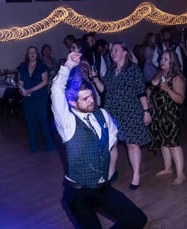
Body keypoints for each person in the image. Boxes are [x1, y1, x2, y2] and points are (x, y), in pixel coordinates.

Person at [51, 51, 147, 229]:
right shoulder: (67, 123)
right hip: (78, 193)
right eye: (85, 99)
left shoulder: (102, 114)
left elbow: (111, 146)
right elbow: (56, 90)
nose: (91, 101)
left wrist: (109, 172)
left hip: (102, 187)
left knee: (138, 219)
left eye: (91, 96)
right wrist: (69, 65)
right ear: (72, 102)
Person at [93, 41, 152, 190]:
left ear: (125, 52)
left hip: (130, 111)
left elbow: (141, 91)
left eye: (116, 50)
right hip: (112, 112)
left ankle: (136, 175)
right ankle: (111, 172)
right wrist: (94, 79)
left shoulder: (133, 70)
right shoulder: (111, 71)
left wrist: (146, 111)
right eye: (112, 51)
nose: (113, 53)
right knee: (112, 144)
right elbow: (104, 91)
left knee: (131, 144)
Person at [148, 49, 186, 185]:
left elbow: (181, 99)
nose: (162, 61)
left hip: (171, 115)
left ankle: (181, 174)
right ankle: (168, 168)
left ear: (172, 62)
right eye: (161, 58)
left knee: (173, 143)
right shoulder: (158, 74)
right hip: (158, 114)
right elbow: (149, 89)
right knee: (163, 142)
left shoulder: (177, 77)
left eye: (165, 59)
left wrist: (168, 89)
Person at [17, 46, 55, 153]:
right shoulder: (22, 67)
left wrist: (30, 90)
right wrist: (22, 90)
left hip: (40, 97)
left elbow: (45, 81)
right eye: (30, 52)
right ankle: (34, 147)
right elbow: (20, 82)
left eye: (34, 52)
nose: (32, 54)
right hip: (28, 98)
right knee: (30, 122)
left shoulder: (42, 66)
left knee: (43, 121)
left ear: (37, 54)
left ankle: (50, 146)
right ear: (27, 55)